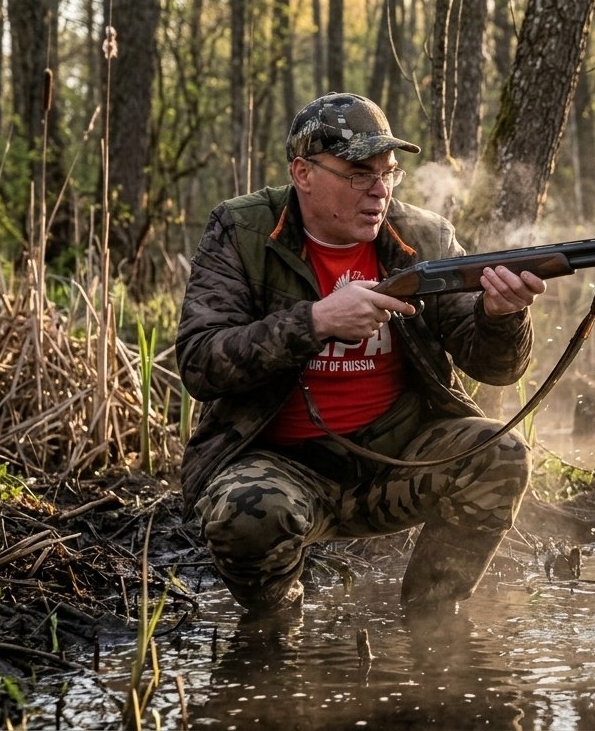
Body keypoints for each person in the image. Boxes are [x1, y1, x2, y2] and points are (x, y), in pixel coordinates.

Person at [176, 92, 545, 616]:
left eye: (389, 172)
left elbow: (497, 369)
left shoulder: (423, 237)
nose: (378, 190)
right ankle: (276, 618)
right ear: (302, 173)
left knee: (499, 454)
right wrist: (316, 321)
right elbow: (200, 360)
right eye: (358, 174)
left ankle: (433, 618)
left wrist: (502, 315)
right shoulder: (243, 231)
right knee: (246, 514)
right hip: (279, 465)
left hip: (396, 460)